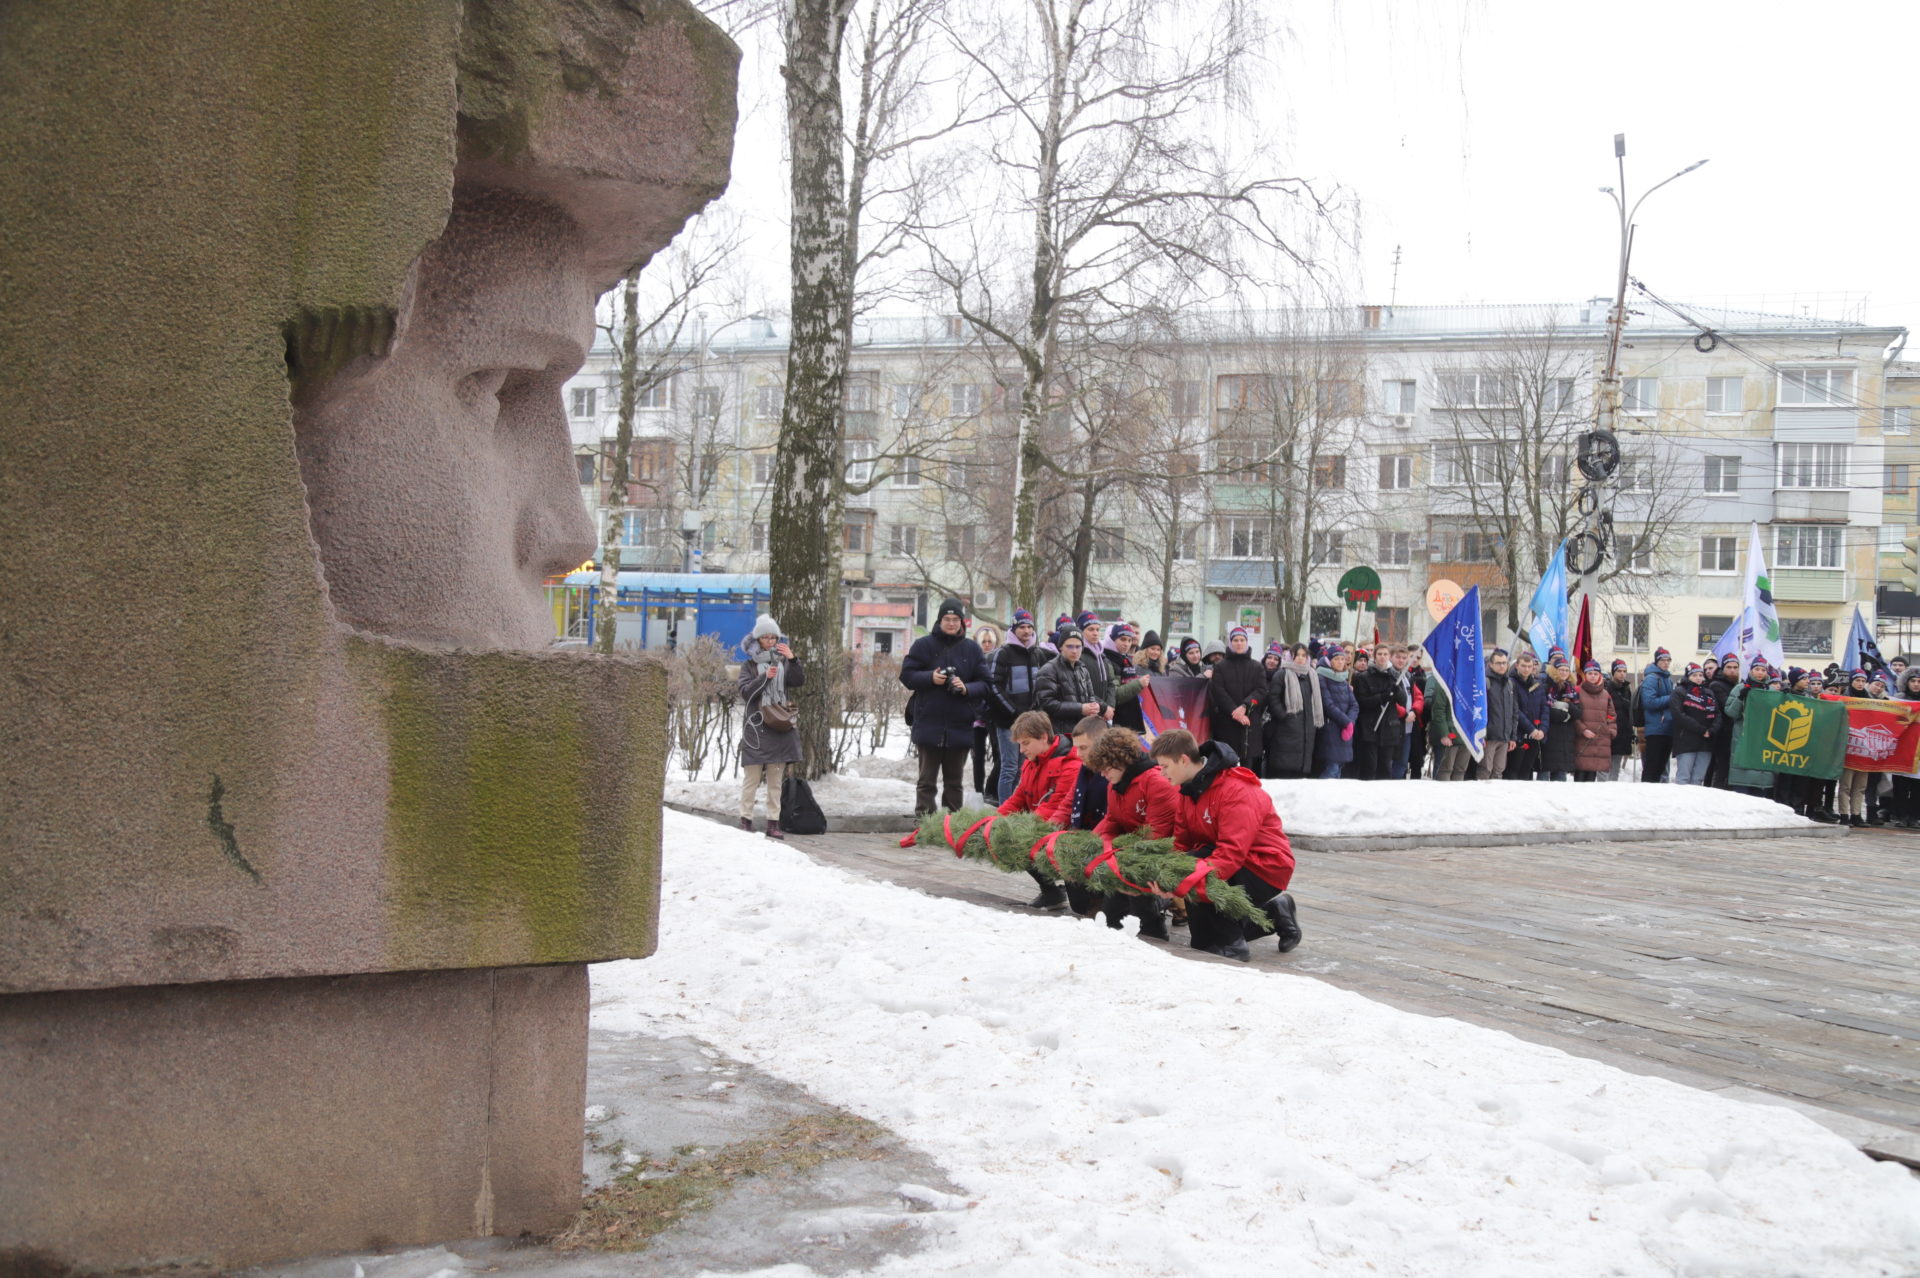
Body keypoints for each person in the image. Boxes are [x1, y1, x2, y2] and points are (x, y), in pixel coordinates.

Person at [1149, 731, 1301, 960]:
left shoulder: (1236, 790)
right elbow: (1182, 846)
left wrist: (1185, 882)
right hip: (1223, 861)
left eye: (1165, 766)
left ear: (1183, 759)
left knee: (1214, 941)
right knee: (1202, 941)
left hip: (1265, 866)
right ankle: (1275, 914)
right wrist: (1169, 879)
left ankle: (1232, 946)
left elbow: (1231, 852)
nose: (1161, 773)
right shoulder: (1188, 792)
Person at [1085, 727, 1178, 940]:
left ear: (1121, 760)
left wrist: (1114, 854)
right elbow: (1112, 821)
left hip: (1160, 858)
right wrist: (1091, 845)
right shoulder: (1116, 783)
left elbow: (1156, 838)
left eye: (1105, 767)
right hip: (1128, 854)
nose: (1102, 773)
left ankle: (1157, 922)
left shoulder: (1156, 783)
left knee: (1143, 919)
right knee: (1111, 920)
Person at [900, 597, 988, 816]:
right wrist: (931, 677)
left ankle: (952, 825)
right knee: (926, 781)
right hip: (929, 722)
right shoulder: (923, 645)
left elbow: (986, 684)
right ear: (939, 621)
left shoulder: (972, 649)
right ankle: (924, 823)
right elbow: (907, 675)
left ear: (962, 622)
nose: (951, 623)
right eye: (947, 619)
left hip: (960, 724)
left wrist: (966, 687)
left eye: (955, 619)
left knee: (954, 782)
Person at [998, 709, 1082, 909]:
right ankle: (1050, 892)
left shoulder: (1071, 766)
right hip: (1042, 826)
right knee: (1003, 836)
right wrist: (992, 822)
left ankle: (1070, 888)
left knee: (1018, 840)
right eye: (1019, 744)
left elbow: (1055, 809)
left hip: (1067, 833)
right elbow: (1017, 799)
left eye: (1025, 743)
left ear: (1044, 737)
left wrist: (1020, 830)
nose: (1021, 751)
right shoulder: (1032, 762)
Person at [738, 615, 806, 838]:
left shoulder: (783, 661)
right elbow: (745, 693)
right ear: (757, 639)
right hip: (756, 726)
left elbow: (798, 681)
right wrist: (764, 678)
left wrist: (793, 659)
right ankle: (745, 819)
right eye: (765, 637)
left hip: (780, 725)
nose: (770, 641)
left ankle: (773, 823)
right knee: (752, 778)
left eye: (773, 637)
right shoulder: (748, 665)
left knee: (776, 781)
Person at [985, 609, 1045, 802]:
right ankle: (1005, 810)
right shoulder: (1002, 654)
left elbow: (1042, 686)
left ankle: (1017, 808)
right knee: (1009, 767)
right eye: (1022, 627)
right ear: (1014, 629)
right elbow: (993, 687)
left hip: (1030, 721)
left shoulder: (1037, 654)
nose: (1026, 631)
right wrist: (1014, 712)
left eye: (1029, 627)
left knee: (1022, 767)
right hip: (1007, 722)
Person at [1206, 627, 1268, 771]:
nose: (1239, 643)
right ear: (1230, 643)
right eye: (1235, 640)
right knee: (1227, 765)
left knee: (1247, 768)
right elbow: (1218, 692)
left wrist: (1245, 706)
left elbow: (1261, 691)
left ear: (1246, 642)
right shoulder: (1221, 667)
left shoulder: (1257, 667)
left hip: (1249, 723)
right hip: (1227, 722)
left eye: (1242, 640)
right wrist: (1234, 711)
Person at [1263, 643, 1322, 779]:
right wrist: (1285, 716)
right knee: (1285, 772)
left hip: (1307, 728)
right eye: (1296, 655)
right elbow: (1273, 699)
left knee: (1301, 776)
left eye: (1303, 655)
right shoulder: (1282, 674)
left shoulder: (1311, 675)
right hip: (1286, 730)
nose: (1300, 658)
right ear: (1290, 657)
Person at [1034, 630, 1107, 737]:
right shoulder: (1048, 670)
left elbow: (1090, 696)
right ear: (1060, 647)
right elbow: (1047, 704)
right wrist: (1080, 708)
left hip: (1082, 730)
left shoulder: (1082, 669)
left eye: (1078, 647)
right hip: (1059, 732)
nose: (1074, 651)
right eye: (1070, 646)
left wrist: (1095, 707)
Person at [1352, 641, 1408, 780]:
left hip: (1389, 728)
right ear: (1374, 656)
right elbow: (1362, 702)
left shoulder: (1394, 676)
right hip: (1370, 727)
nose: (1382, 657)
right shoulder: (1363, 677)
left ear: (1389, 656)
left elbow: (1403, 701)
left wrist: (1398, 690)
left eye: (1385, 654)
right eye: (1379, 654)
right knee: (1370, 767)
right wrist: (1382, 697)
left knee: (1385, 768)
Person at [1723, 661, 1777, 800]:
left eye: (1763, 670)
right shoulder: (1740, 688)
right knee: (1742, 789)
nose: (1760, 672)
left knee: (1760, 790)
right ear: (1751, 671)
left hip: (1763, 740)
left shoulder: (1771, 692)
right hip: (1744, 739)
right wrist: (1741, 698)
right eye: (1757, 669)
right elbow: (1730, 712)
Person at [1670, 662, 1720, 786]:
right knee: (1684, 777)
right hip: (1686, 741)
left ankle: (1695, 805)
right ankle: (1681, 804)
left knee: (1698, 779)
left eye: (1700, 675)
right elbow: (1679, 715)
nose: (1698, 678)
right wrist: (1700, 729)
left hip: (1705, 742)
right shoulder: (1679, 692)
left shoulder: (1709, 693)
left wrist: (1712, 730)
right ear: (1688, 676)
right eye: (1695, 675)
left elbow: (1718, 714)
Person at [1314, 644, 1359, 778]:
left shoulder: (1343, 679)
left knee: (1338, 768)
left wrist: (1350, 722)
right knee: (1331, 769)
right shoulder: (1322, 677)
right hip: (1331, 729)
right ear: (1329, 661)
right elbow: (1328, 704)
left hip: (1345, 730)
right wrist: (1346, 722)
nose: (1340, 662)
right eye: (1336, 659)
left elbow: (1354, 704)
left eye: (1342, 659)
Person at [1424, 656, 1471, 782]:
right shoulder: (1443, 683)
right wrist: (1444, 734)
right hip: (1449, 734)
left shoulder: (1471, 685)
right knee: (1444, 769)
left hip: (1466, 735)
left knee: (1460, 769)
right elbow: (1438, 711)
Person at [1100, 622, 1151, 732]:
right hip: (1116, 721)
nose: (1126, 644)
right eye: (1122, 639)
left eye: (1129, 640)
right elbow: (1115, 695)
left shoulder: (1125, 659)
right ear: (1113, 639)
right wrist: (1138, 683)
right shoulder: (1107, 660)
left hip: (1128, 719)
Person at [1572, 660, 1617, 781]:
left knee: (1592, 780)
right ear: (1585, 675)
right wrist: (1583, 730)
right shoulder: (1577, 691)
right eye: (1590, 673)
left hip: (1600, 741)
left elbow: (1611, 715)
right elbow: (1573, 715)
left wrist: (1611, 730)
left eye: (1595, 673)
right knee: (1580, 778)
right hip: (1582, 740)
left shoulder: (1606, 694)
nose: (1593, 676)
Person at [1539, 649, 1579, 782]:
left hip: (1565, 739)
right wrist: (1563, 715)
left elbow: (1578, 712)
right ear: (1555, 670)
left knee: (1560, 779)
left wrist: (1566, 706)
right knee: (1544, 773)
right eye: (1561, 670)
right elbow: (1544, 709)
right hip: (1550, 735)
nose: (1563, 673)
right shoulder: (1547, 686)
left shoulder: (1572, 689)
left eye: (1566, 670)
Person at [1508, 650, 1548, 780]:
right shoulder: (1511, 683)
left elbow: (1545, 708)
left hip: (1535, 736)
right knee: (1514, 770)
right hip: (1518, 734)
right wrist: (1531, 729)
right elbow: (1515, 710)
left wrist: (1542, 729)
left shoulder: (1538, 685)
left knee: (1527, 770)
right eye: (1523, 666)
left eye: (1529, 666)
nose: (1526, 669)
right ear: (1517, 666)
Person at [971, 625, 1001, 801]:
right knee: (978, 756)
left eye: (990, 641)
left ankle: (994, 790)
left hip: (992, 715)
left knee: (999, 753)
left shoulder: (998, 659)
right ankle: (978, 791)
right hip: (976, 717)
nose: (987, 644)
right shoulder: (973, 660)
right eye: (984, 641)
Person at [1638, 647, 1676, 783]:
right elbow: (1649, 702)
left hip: (1667, 728)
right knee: (1651, 767)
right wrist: (1671, 698)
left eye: (1668, 660)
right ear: (1657, 661)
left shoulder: (1667, 679)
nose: (1666, 663)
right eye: (1663, 660)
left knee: (1660, 768)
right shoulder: (1652, 678)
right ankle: (1645, 794)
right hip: (1655, 728)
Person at [1480, 647, 1518, 781]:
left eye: (1504, 663)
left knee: (1498, 771)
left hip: (1504, 737)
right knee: (1485, 769)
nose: (1502, 666)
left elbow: (1514, 712)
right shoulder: (1485, 682)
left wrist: (1512, 736)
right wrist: (1481, 734)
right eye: (1498, 663)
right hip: (1489, 736)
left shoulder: (1509, 683)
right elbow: (1480, 710)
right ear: (1490, 664)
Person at [1704, 654, 1740, 789]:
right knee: (1720, 768)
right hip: (1721, 733)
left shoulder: (1737, 683)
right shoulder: (1716, 685)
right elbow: (1727, 707)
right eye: (1729, 667)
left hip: (1733, 732)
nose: (1732, 670)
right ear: (1722, 668)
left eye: (1735, 667)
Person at [1889, 668, 1920, 828]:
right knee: (1900, 786)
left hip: (1919, 751)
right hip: (1901, 748)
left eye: (1919, 682)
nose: (1916, 684)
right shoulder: (1898, 701)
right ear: (1906, 682)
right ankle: (1900, 815)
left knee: (1917, 787)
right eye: (1913, 681)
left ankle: (1914, 817)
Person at [1606, 659, 1635, 780]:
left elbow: (1628, 713)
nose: (1622, 674)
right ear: (1613, 672)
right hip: (1610, 732)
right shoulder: (1606, 688)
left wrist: (1631, 732)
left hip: (1623, 733)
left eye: (1624, 671)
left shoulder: (1626, 689)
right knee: (1606, 768)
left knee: (1615, 768)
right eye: (1619, 671)